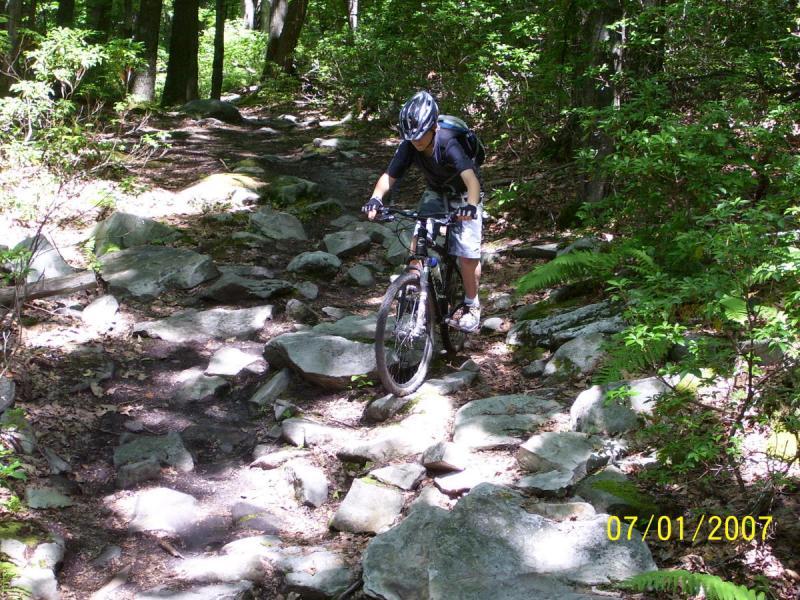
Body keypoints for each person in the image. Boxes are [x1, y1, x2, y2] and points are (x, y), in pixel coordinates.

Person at [362, 90, 483, 333]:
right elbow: (390, 175)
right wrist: (376, 198)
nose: (416, 141)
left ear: (432, 128)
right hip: (436, 191)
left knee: (468, 255)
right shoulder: (409, 145)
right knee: (418, 239)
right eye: (411, 137)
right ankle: (414, 290)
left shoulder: (449, 142)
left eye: (420, 136)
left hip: (464, 195)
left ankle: (472, 306)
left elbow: (471, 180)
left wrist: (471, 206)